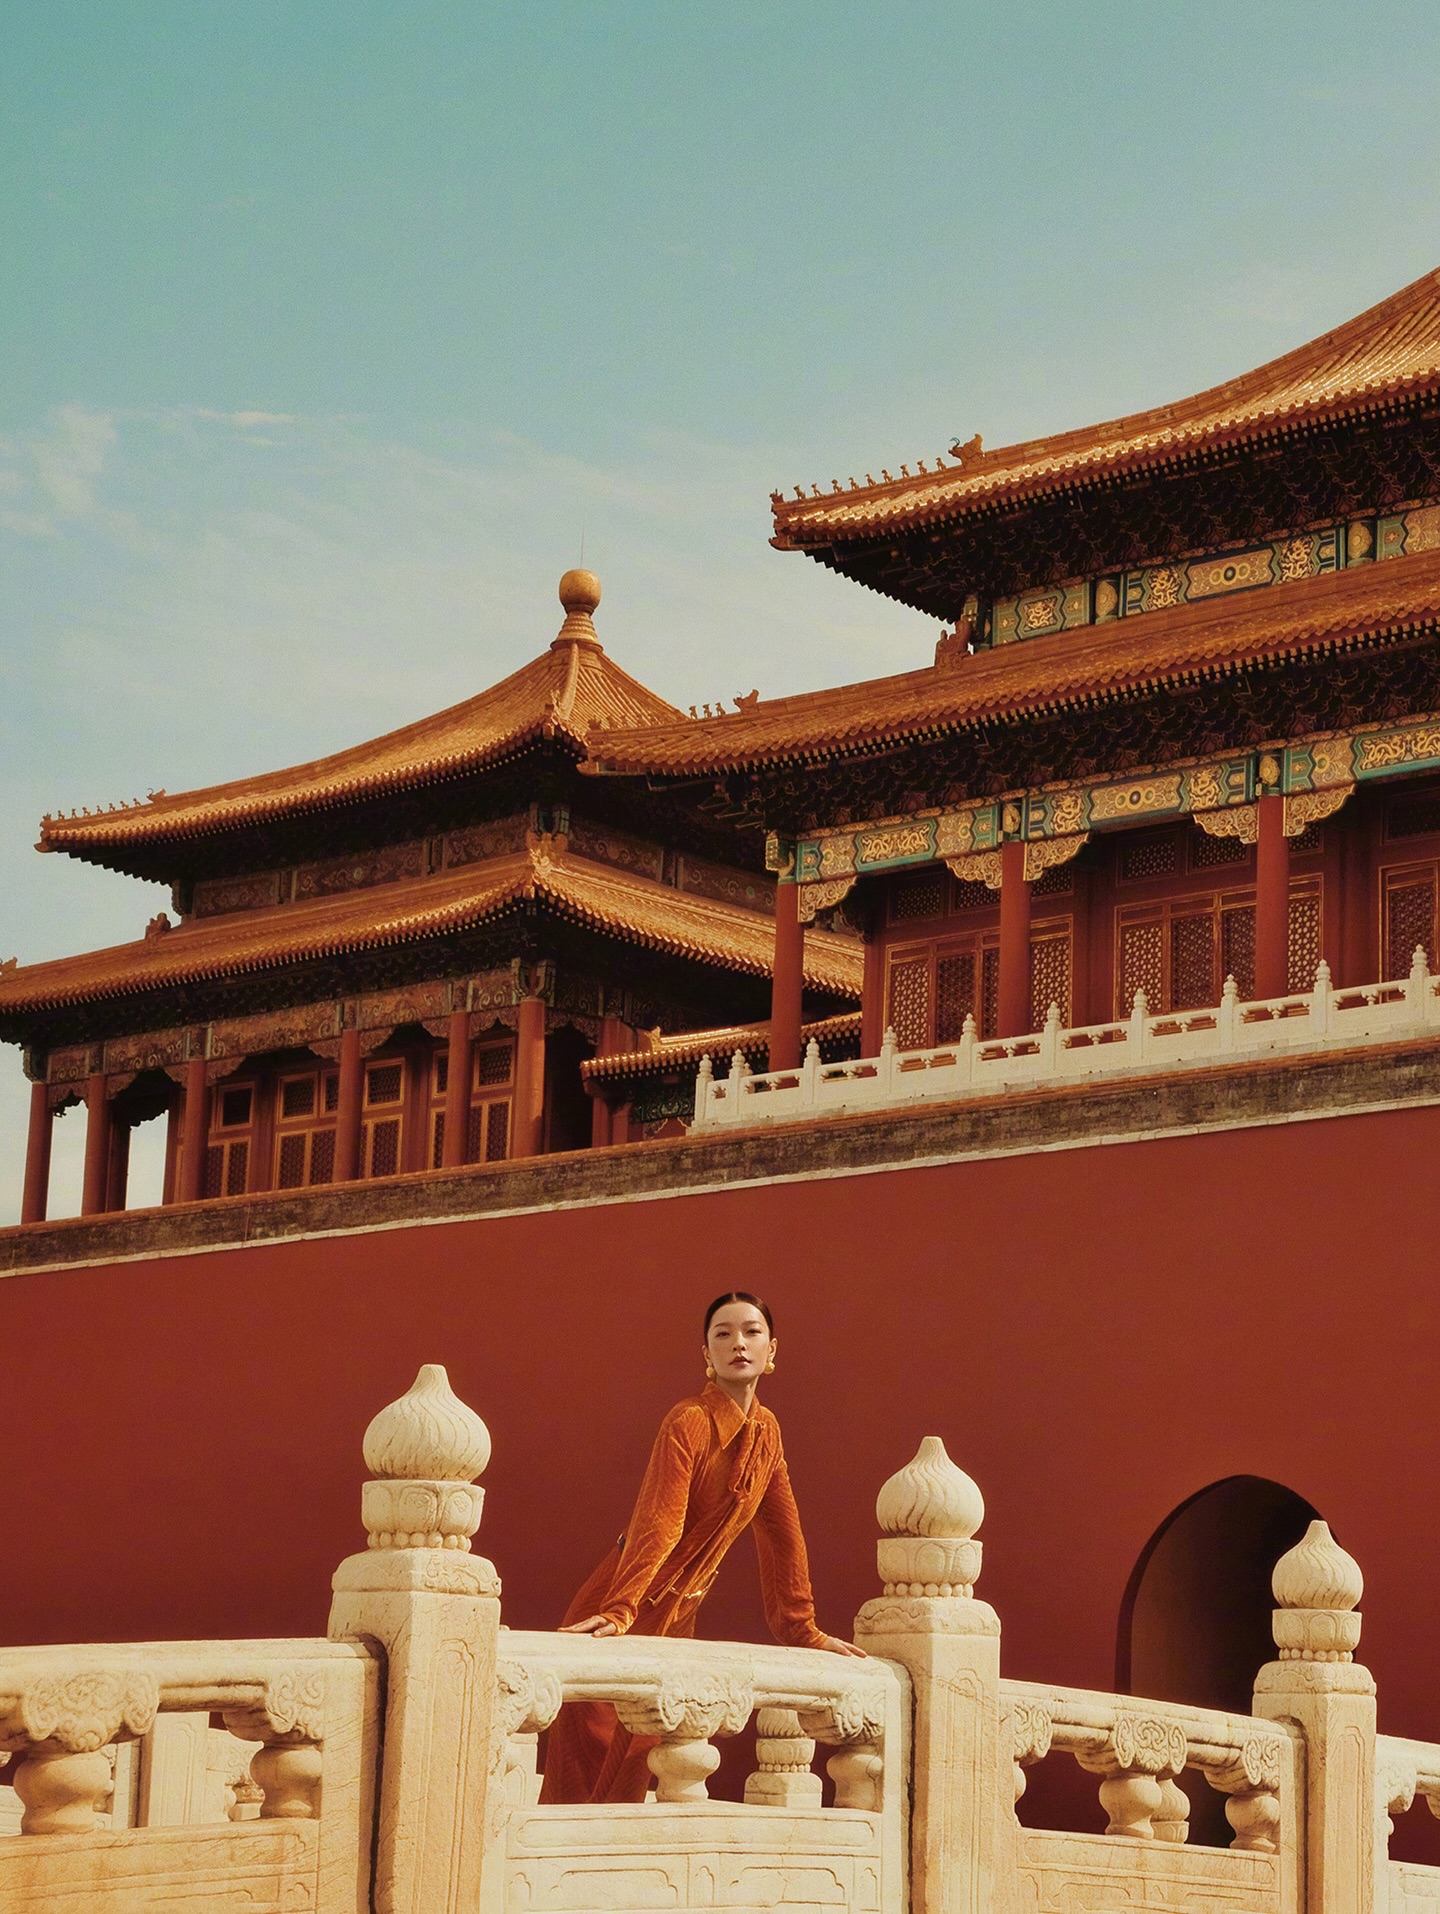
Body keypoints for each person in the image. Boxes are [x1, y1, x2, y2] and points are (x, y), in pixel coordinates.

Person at [539, 1290, 863, 1805]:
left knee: (638, 1761)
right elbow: (658, 1522)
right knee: (586, 1766)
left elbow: (783, 1535)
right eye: (723, 1334)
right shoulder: (688, 1419)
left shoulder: (767, 1432)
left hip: (677, 1616)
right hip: (620, 1604)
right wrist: (620, 1609)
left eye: (752, 1332)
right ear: (706, 1354)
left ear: (772, 1350)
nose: (739, 1343)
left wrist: (802, 1629)